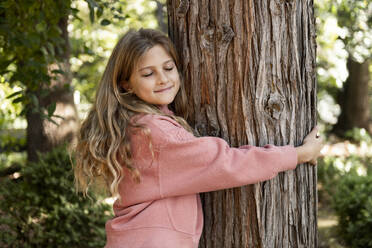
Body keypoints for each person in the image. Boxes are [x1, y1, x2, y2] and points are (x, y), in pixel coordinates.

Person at [74, 28, 323, 248]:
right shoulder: (151, 130)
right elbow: (225, 163)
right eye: (148, 74)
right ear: (126, 84)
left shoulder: (134, 123)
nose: (162, 79)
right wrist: (298, 154)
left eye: (168, 68)